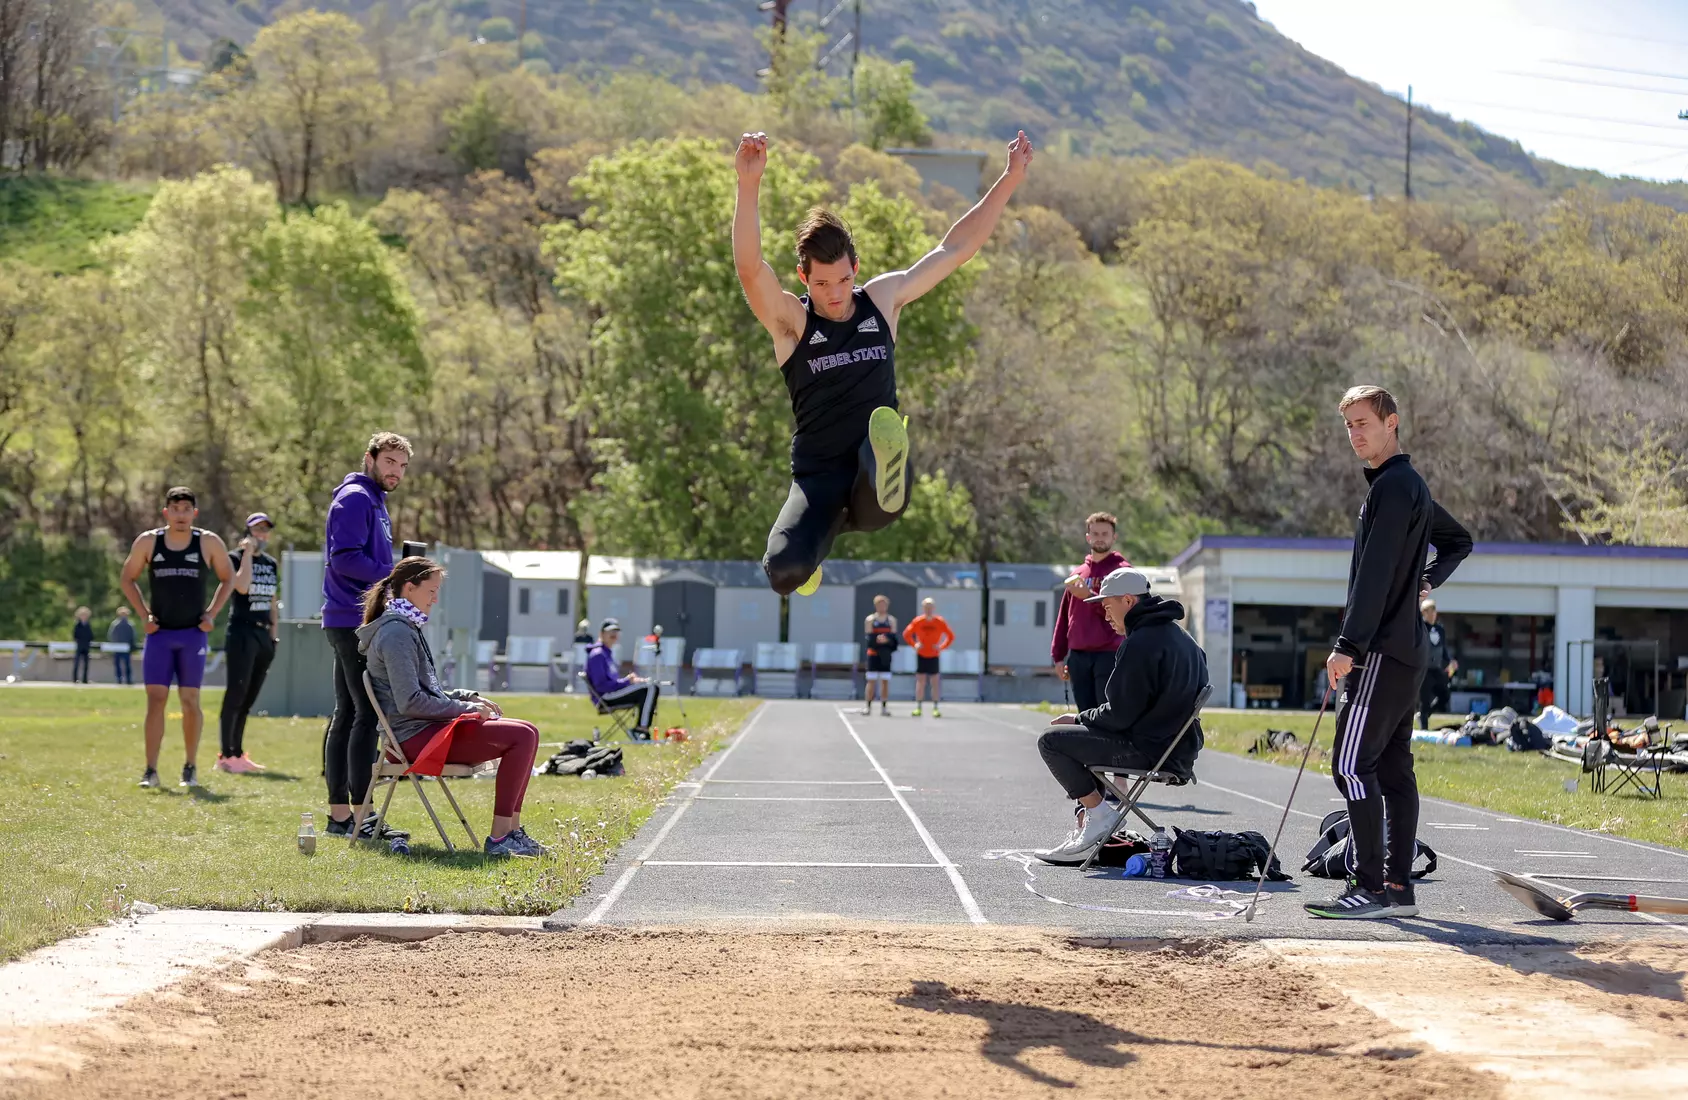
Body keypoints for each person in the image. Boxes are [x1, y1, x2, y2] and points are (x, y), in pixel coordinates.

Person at [734, 128, 1035, 597]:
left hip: (875, 470)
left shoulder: (882, 300)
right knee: (783, 574)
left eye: (843, 279)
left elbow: (955, 249)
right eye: (822, 284)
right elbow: (751, 270)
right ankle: (814, 549)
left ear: (856, 266)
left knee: (879, 476)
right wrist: (748, 185)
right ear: (803, 278)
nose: (834, 294)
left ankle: (886, 460)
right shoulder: (792, 323)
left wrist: (1009, 178)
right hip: (818, 478)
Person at [1308, 385, 1472, 920]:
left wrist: (1347, 646)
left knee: (1352, 764)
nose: (1355, 434)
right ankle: (1399, 890)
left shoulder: (1395, 487)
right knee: (1394, 771)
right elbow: (1457, 540)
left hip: (1379, 652)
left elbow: (1376, 576)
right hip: (1406, 652)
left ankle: (1371, 888)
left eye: (1363, 423)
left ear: (1392, 423)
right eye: (1349, 425)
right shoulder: (1404, 486)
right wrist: (1421, 581)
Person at [358, 557, 545, 858]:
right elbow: (410, 702)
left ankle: (512, 832)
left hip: (429, 729)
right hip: (414, 738)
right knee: (521, 736)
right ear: (409, 588)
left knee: (529, 730)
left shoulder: (407, 627)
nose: (436, 598)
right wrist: (462, 709)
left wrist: (468, 697)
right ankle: (500, 839)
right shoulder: (395, 634)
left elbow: (428, 690)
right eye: (431, 590)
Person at [1035, 568, 1208, 865]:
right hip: (1174, 750)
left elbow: (1119, 715)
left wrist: (1078, 719)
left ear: (1128, 600)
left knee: (1052, 741)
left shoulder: (1141, 643)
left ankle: (1101, 817)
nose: (1105, 615)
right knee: (1080, 737)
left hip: (1150, 749)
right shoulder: (1183, 638)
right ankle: (1094, 823)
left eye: (1107, 605)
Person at [323, 432, 411, 839]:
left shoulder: (375, 501)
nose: (396, 471)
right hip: (351, 619)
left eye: (402, 465)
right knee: (365, 715)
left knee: (347, 714)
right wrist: (394, 577)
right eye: (390, 461)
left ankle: (341, 817)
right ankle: (362, 816)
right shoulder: (356, 498)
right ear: (370, 458)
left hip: (354, 619)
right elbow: (343, 559)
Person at [118, 487, 236, 788]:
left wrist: (211, 614)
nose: (181, 514)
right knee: (156, 700)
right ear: (166, 512)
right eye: (175, 508)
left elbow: (228, 577)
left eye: (186, 509)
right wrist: (144, 615)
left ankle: (190, 766)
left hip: (192, 635)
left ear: (194, 513)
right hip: (160, 635)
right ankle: (150, 771)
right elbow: (127, 578)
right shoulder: (149, 541)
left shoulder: (207, 542)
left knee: (189, 699)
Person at [218, 513, 279, 773]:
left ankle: (238, 753)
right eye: (257, 531)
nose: (262, 535)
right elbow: (242, 587)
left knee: (249, 697)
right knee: (236, 693)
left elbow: (272, 599)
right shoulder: (234, 558)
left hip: (263, 634)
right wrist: (246, 554)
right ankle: (226, 755)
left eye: (265, 531)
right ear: (247, 533)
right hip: (242, 632)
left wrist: (273, 634)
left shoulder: (271, 563)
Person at [1051, 512, 1129, 712]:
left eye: (1105, 533)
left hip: (1108, 654)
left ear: (1114, 538)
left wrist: (1089, 595)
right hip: (1078, 656)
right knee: (1084, 715)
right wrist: (1058, 655)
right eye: (1095, 533)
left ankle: (1108, 745)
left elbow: (1125, 613)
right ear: (1088, 537)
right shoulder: (1077, 574)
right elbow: (1065, 616)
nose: (1100, 537)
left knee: (1106, 713)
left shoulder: (1122, 571)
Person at [585, 619, 658, 739]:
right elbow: (601, 686)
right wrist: (626, 682)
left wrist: (630, 682)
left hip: (610, 693)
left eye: (616, 631)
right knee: (651, 688)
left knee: (649, 686)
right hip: (605, 697)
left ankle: (641, 730)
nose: (613, 634)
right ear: (601, 634)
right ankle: (641, 730)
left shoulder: (607, 653)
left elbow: (612, 682)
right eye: (610, 631)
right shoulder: (598, 654)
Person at [903, 598, 955, 717]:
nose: (928, 609)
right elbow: (907, 634)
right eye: (926, 607)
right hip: (921, 654)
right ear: (923, 608)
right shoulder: (918, 621)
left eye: (930, 607)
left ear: (933, 608)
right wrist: (915, 644)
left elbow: (950, 636)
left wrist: (941, 647)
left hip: (934, 655)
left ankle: (935, 708)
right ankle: (918, 707)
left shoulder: (939, 621)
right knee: (920, 681)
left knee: (935, 682)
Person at [1418, 598, 1457, 730]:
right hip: (1424, 668)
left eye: (1434, 611)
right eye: (1429, 611)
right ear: (1424, 613)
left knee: (1444, 695)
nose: (1432, 614)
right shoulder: (1420, 628)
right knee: (1425, 699)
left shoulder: (1440, 629)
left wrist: (1450, 660)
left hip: (1436, 668)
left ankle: (1426, 714)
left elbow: (1443, 648)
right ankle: (1424, 728)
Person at [860, 594, 899, 716]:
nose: (882, 607)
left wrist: (886, 640)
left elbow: (894, 640)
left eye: (884, 604)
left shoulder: (891, 620)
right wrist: (877, 640)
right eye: (879, 604)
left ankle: (884, 707)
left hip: (886, 656)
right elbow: (869, 639)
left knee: (885, 681)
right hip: (873, 654)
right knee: (871, 680)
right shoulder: (870, 620)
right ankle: (868, 706)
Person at [107, 607, 136, 685]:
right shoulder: (115, 624)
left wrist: (131, 646)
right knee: (117, 664)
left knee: (127, 664)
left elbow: (133, 636)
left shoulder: (130, 625)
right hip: (117, 647)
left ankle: (129, 679)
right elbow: (111, 635)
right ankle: (119, 679)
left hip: (126, 647)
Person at [71, 607, 93, 684]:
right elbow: (75, 635)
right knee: (77, 663)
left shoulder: (88, 625)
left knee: (86, 664)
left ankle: (85, 679)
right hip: (79, 645)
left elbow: (90, 635)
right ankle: (75, 678)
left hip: (86, 646)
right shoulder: (78, 625)